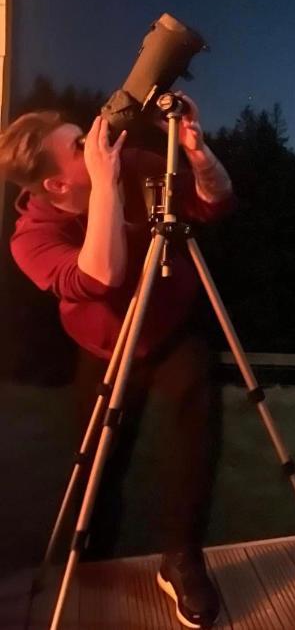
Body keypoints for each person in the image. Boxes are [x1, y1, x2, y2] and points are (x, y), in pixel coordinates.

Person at [0, 92, 234, 629]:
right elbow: (97, 277)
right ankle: (94, 565)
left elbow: (214, 203)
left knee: (194, 430)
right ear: (57, 184)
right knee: (98, 465)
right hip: (103, 347)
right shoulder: (32, 237)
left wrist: (198, 154)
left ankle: (182, 560)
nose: (96, 144)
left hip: (170, 329)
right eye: (79, 147)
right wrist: (105, 187)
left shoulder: (132, 166)